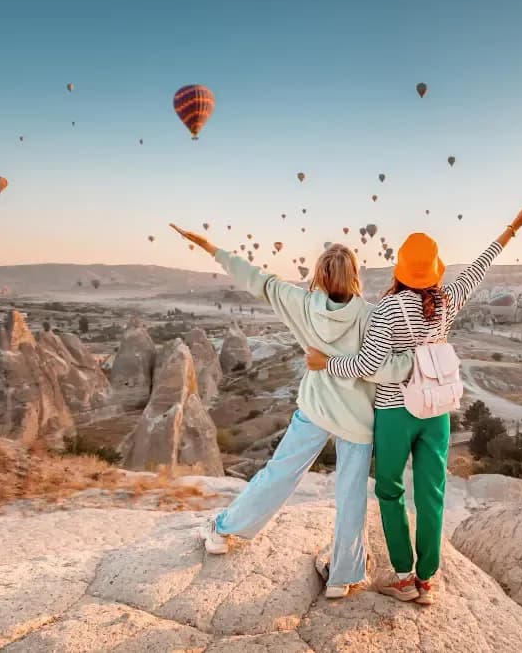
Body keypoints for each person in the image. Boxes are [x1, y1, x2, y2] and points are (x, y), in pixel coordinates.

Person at [306, 203, 522, 605]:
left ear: (399, 269)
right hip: (437, 413)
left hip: (396, 412)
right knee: (432, 494)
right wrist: (513, 227)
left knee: (391, 491)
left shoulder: (386, 311)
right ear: (435, 269)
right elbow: (480, 267)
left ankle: (402, 577)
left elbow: (367, 365)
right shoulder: (446, 301)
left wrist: (327, 363)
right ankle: (428, 580)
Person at [170, 224, 413, 599]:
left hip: (314, 408)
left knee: (280, 472)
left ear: (318, 275)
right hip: (357, 419)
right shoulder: (371, 316)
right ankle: (343, 576)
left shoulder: (301, 303)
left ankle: (224, 532)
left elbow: (257, 279)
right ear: (355, 277)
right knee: (351, 494)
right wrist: (412, 360)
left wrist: (211, 247)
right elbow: (389, 366)